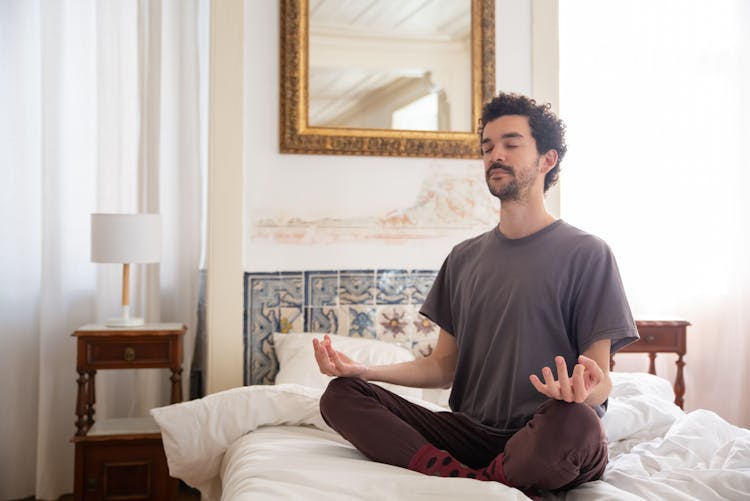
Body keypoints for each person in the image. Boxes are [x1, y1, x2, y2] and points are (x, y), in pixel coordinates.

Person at [312, 92, 639, 494]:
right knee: (341, 395)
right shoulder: (463, 258)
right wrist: (363, 370)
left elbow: (599, 376)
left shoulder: (588, 254)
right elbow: (441, 367)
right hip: (469, 435)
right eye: (487, 147)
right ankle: (480, 478)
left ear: (547, 160)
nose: (494, 155)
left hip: (546, 430)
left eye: (511, 144)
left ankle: (483, 476)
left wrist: (585, 388)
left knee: (578, 423)